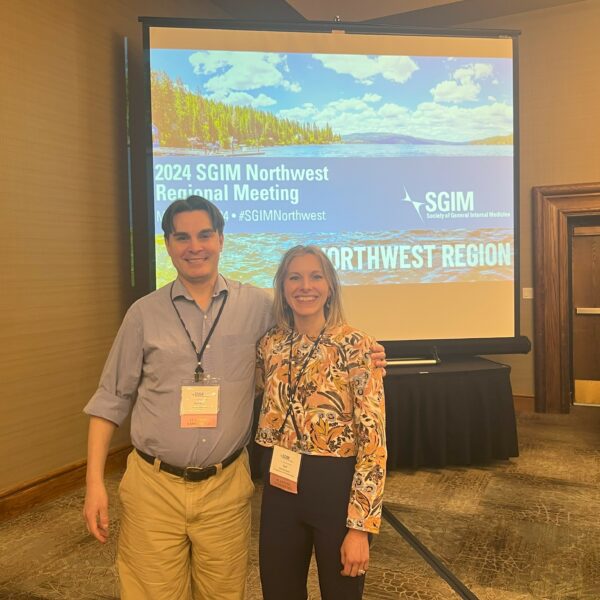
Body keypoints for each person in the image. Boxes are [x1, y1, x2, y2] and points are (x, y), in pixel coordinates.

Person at [82, 196, 386, 600]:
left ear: (221, 240)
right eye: (182, 237)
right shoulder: (143, 314)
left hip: (225, 489)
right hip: (154, 487)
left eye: (205, 235)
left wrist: (368, 354)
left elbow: (313, 333)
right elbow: (109, 400)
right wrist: (93, 484)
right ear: (168, 245)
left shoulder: (258, 306)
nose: (195, 246)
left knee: (225, 593)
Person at [255, 245, 387, 600]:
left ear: (330, 286)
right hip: (280, 489)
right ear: (282, 287)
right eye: (294, 277)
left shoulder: (356, 346)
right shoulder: (271, 344)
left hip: (336, 490)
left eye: (316, 277)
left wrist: (360, 527)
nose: (305, 286)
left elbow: (374, 443)